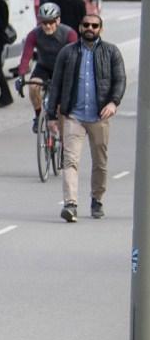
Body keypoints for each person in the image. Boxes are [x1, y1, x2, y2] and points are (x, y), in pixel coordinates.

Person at [48, 12, 126, 222]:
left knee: (100, 162)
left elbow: (119, 80)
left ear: (101, 29)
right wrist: (51, 115)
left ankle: (97, 199)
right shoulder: (68, 52)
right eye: (86, 25)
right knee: (70, 160)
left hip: (99, 116)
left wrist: (113, 102)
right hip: (73, 115)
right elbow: (56, 84)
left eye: (95, 25)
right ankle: (70, 204)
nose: (90, 28)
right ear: (80, 27)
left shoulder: (111, 52)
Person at [16, 2, 78, 131]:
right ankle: (38, 116)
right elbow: (26, 56)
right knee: (33, 86)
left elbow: (76, 57)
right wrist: (21, 75)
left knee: (61, 106)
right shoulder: (34, 34)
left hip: (63, 68)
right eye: (44, 23)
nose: (48, 26)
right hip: (43, 67)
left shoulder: (69, 34)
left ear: (58, 20)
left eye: (51, 22)